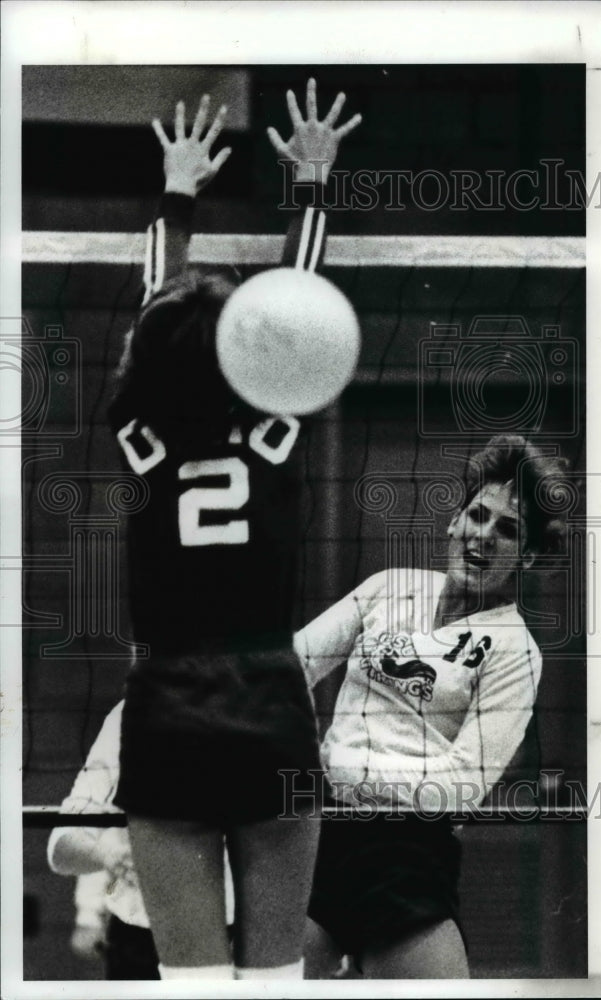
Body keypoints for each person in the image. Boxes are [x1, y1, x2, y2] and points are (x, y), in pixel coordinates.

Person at [108, 81, 360, 980]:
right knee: (276, 984)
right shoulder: (274, 426)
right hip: (267, 707)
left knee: (191, 989)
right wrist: (312, 182)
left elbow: (153, 304)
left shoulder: (138, 434)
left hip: (167, 709)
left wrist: (176, 192)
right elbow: (305, 298)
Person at [294, 434, 565, 978]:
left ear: (528, 556)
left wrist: (340, 767)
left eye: (507, 530)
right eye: (478, 515)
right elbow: (292, 667)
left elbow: (462, 783)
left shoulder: (516, 652)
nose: (484, 536)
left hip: (406, 852)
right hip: (320, 835)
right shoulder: (388, 588)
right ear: (454, 520)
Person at [47, 702, 234, 980]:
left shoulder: (264, 708)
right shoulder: (128, 718)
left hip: (232, 933)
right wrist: (105, 865)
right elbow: (62, 844)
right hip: (140, 937)